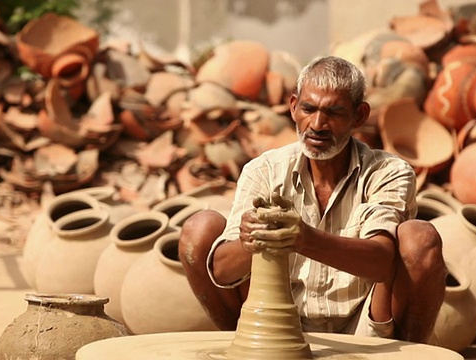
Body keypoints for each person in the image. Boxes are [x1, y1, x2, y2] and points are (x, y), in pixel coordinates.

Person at [178, 55, 447, 344]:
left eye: (334, 112)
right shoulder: (265, 170)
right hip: (279, 324)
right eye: (309, 109)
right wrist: (250, 241)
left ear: (359, 116)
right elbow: (221, 270)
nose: (318, 124)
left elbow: (382, 263)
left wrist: (304, 239)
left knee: (420, 238)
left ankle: (411, 354)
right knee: (198, 230)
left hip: (366, 328)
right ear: (293, 107)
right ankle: (248, 347)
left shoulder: (388, 172)